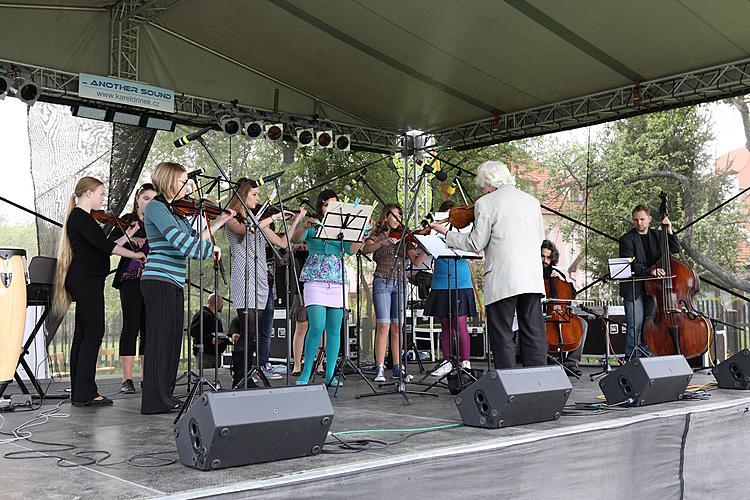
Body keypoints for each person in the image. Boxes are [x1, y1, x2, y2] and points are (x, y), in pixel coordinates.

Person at [432, 160, 546, 369]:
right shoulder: (531, 201)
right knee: (533, 332)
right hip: (532, 278)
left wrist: (446, 234)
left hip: (503, 279)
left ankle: (509, 386)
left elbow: (476, 242)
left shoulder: (486, 203)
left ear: (489, 182)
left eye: (483, 184)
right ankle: (538, 384)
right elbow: (540, 238)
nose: (483, 189)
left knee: (502, 334)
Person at [140, 162, 235, 414]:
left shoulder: (175, 212)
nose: (189, 186)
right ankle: (153, 401)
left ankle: (165, 396)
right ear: (171, 181)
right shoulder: (156, 207)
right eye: (184, 181)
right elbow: (183, 245)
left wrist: (218, 224)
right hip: (158, 280)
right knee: (159, 341)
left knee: (171, 341)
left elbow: (194, 239)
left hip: (172, 281)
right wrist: (210, 250)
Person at [52, 176, 146, 407]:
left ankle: (81, 391)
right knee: (93, 333)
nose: (103, 198)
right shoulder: (80, 217)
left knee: (84, 335)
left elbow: (100, 246)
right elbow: (106, 247)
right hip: (86, 281)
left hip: (88, 280)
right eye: (101, 194)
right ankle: (85, 392)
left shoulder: (81, 218)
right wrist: (135, 254)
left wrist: (129, 235)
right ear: (88, 194)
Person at [224, 178, 305, 388]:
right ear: (242, 195)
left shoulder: (258, 222)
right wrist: (274, 216)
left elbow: (283, 243)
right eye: (254, 195)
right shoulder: (232, 218)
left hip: (260, 277)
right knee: (248, 330)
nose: (258, 199)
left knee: (255, 332)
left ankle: (246, 375)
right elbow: (245, 230)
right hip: (244, 276)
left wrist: (295, 220)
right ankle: (239, 377)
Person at [293, 189, 364, 387]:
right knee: (316, 325)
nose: (330, 208)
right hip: (314, 277)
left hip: (337, 279)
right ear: (320, 206)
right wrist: (303, 224)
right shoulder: (314, 224)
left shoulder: (343, 226)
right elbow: (295, 239)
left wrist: (360, 234)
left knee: (334, 329)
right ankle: (306, 370)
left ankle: (331, 374)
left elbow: (351, 251)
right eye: (326, 204)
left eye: (334, 204)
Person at [363, 203, 427, 382]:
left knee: (398, 327)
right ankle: (380, 367)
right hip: (382, 280)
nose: (397, 219)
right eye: (394, 215)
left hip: (400, 283)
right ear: (386, 217)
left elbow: (415, 261)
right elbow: (366, 249)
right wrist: (383, 242)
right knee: (383, 324)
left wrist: (427, 249)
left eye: (399, 215)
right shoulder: (377, 235)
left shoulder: (405, 237)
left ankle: (398, 367)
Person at [109, 183, 157, 394]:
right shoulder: (127, 220)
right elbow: (109, 245)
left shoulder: (159, 220)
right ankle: (127, 379)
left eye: (154, 199)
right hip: (130, 277)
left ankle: (147, 378)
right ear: (138, 198)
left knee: (149, 328)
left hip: (154, 277)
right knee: (131, 326)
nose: (149, 202)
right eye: (146, 198)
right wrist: (132, 235)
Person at [618, 204, 680, 358]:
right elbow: (631, 264)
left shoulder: (659, 235)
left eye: (642, 219)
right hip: (635, 288)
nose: (639, 223)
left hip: (654, 288)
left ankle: (645, 357)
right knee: (635, 326)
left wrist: (670, 230)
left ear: (650, 219)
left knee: (649, 325)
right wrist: (651, 271)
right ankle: (632, 359)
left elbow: (676, 249)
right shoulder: (626, 239)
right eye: (635, 220)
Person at [424, 201, 478, 378]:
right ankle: (447, 361)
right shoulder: (435, 227)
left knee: (460, 323)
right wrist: (427, 234)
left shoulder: (465, 228)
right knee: (445, 324)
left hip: (461, 280)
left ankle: (466, 363)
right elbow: (426, 251)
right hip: (440, 280)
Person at [541, 239, 587, 376]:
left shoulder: (557, 273)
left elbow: (571, 295)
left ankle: (571, 362)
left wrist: (564, 279)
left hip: (561, 312)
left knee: (583, 324)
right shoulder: (533, 274)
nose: (545, 260)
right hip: (543, 314)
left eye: (548, 257)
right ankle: (550, 357)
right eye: (542, 256)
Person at [189, 293, 236, 369]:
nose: (222, 305)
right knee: (205, 376)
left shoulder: (216, 318)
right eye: (221, 302)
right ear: (215, 302)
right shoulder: (202, 314)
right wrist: (211, 339)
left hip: (216, 355)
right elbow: (194, 331)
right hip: (205, 355)